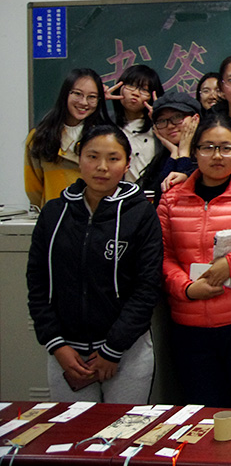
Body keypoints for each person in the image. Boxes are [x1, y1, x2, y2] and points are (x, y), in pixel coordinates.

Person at [27, 125, 162, 403]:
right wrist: (57, 345)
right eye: (92, 156)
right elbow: (37, 284)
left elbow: (147, 287)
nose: (102, 167)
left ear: (127, 163)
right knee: (71, 428)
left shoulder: (141, 213)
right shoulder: (54, 213)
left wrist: (112, 350)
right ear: (79, 158)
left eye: (113, 158)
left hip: (126, 352)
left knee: (124, 429)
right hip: (67, 354)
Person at [158, 112, 231, 408]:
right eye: (207, 147)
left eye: (226, 148)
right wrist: (186, 289)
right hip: (189, 327)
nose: (217, 156)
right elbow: (163, 256)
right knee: (202, 414)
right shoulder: (171, 199)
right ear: (194, 151)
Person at [25, 68, 111, 208]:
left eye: (92, 97)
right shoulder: (40, 136)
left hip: (97, 215)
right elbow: (33, 189)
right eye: (77, 94)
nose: (84, 102)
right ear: (65, 93)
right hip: (56, 215)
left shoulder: (106, 137)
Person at [107, 64, 164, 183]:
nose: (136, 93)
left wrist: (161, 119)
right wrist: (98, 102)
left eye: (144, 90)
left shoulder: (161, 128)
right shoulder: (106, 122)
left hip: (150, 191)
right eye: (131, 86)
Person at [141, 92, 200, 199]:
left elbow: (183, 197)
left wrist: (183, 153)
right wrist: (174, 153)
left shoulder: (207, 153)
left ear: (195, 119)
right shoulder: (160, 160)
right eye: (162, 121)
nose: (170, 126)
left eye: (177, 117)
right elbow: (161, 197)